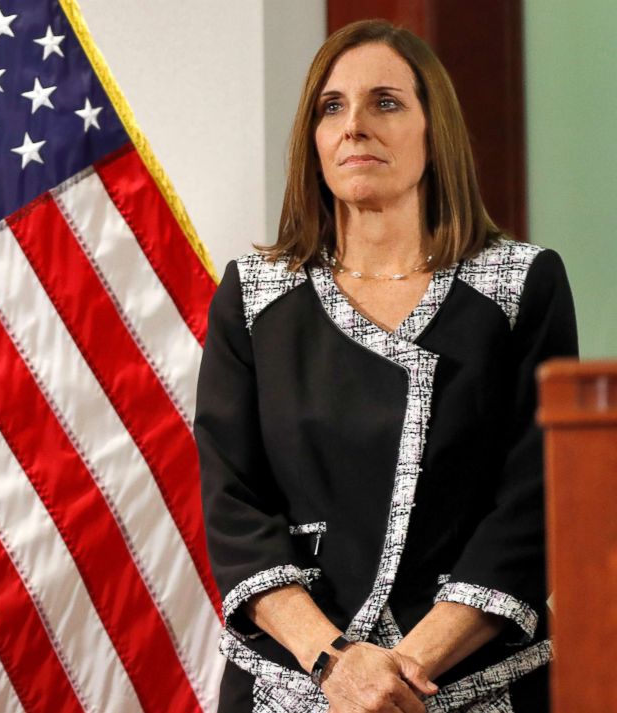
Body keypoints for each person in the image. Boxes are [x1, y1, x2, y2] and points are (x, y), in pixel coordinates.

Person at [194, 19, 577, 713]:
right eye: (331, 106)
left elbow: (534, 504)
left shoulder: (523, 283)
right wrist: (335, 663)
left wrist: (399, 673)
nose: (355, 126)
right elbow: (234, 507)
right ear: (313, 140)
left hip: (475, 684)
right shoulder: (253, 295)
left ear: (438, 133)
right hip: (292, 683)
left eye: (387, 102)